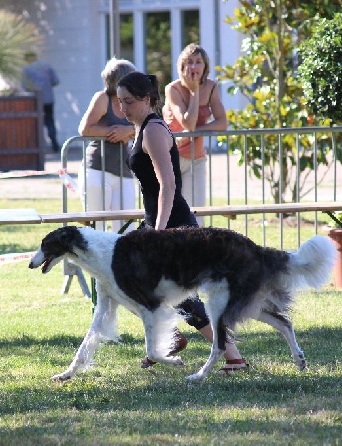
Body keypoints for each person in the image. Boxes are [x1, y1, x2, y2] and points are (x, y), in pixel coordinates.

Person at [116, 71, 248, 374]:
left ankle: (234, 357)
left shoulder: (154, 130)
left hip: (173, 224)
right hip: (158, 222)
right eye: (120, 102)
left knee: (186, 297)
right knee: (133, 283)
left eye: (129, 102)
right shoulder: (139, 129)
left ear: (146, 99)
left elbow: (168, 185)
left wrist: (159, 231)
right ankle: (171, 338)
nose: (123, 108)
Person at [162, 43, 228, 226]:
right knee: (172, 210)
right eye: (189, 62)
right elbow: (188, 122)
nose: (194, 67)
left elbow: (222, 123)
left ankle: (197, 251)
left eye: (198, 62)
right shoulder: (172, 89)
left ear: (205, 65)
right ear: (182, 65)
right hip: (171, 156)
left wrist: (194, 133)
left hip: (195, 157)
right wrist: (193, 91)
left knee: (197, 211)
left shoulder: (212, 87)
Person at [77, 58, 137, 233]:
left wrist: (128, 130)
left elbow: (145, 126)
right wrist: (114, 131)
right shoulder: (102, 98)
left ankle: (122, 261)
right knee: (97, 228)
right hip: (97, 170)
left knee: (127, 229)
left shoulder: (134, 102)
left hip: (124, 172)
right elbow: (85, 129)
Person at [22, 51, 61, 152]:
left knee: (36, 122)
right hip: (48, 99)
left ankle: (38, 146)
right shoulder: (46, 66)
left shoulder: (27, 69)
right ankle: (54, 144)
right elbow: (55, 81)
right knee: (50, 121)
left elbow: (25, 86)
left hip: (35, 100)